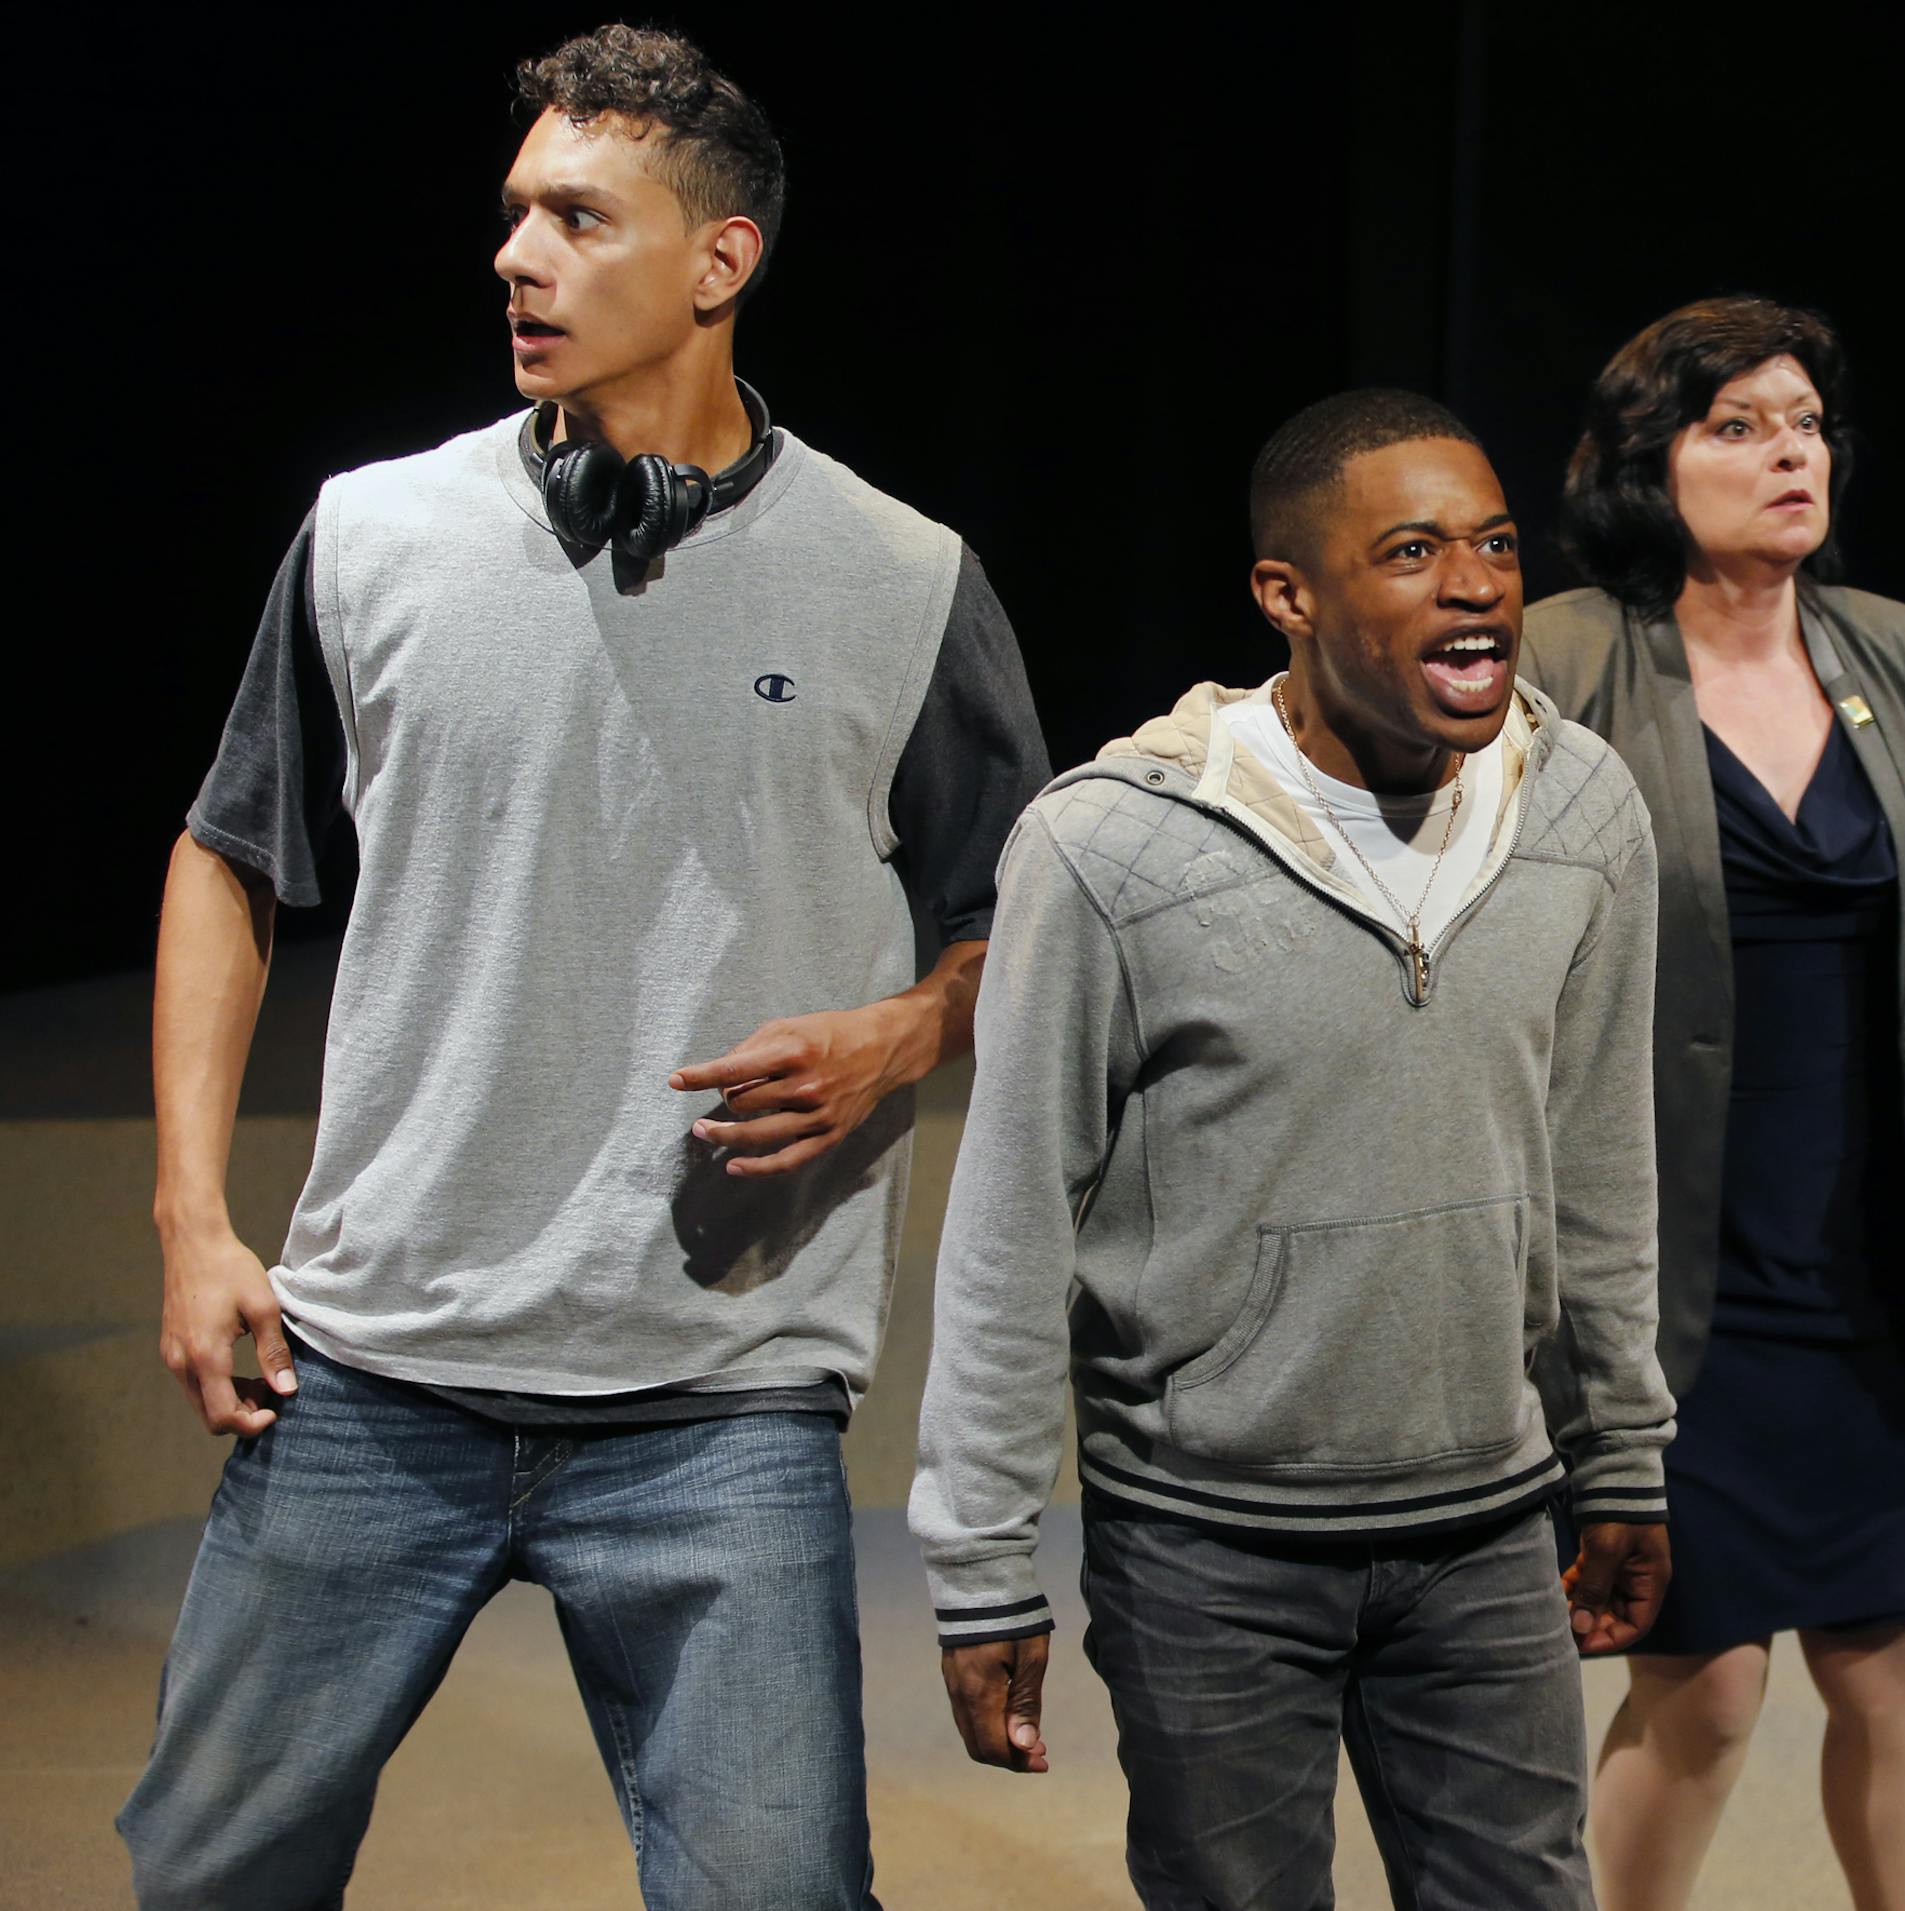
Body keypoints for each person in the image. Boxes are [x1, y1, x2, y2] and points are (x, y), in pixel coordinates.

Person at [119, 24, 1047, 1909]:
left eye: (577, 217)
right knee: (205, 1882)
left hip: (721, 1390)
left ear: (722, 262)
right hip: (375, 1364)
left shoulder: (902, 571)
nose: (516, 257)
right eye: (514, 214)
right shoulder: (372, 534)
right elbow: (230, 856)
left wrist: (906, 1031)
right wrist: (192, 1222)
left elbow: (1016, 910)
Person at [911, 388, 1676, 1908]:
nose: (1475, 585)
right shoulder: (1113, 849)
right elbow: (1010, 1226)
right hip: (1209, 1547)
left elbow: (1602, 1167)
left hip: (1488, 1528)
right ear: (1289, 594)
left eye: (1496, 546)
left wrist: (1626, 1451)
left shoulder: (1583, 809)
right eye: (1411, 551)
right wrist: (981, 1560)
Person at [1521, 294, 1905, 1911]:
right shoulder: (1566, 658)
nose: (1792, 453)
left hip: (1863, 1256)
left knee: (1893, 1667)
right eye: (1739, 426)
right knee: (1700, 1690)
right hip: (1668, 1265)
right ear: (1651, 462)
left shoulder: (1890, 646)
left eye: (1808, 423)